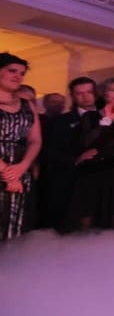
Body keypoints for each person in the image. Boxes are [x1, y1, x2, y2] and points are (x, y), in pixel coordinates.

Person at [70, 77, 114, 230]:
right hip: (94, 167)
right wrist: (106, 119)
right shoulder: (90, 116)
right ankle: (84, 249)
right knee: (88, 211)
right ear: (103, 93)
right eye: (112, 90)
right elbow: (86, 142)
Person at [41, 77, 96, 232]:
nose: (85, 96)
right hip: (71, 181)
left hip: (103, 179)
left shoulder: (109, 117)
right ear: (72, 95)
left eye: (89, 92)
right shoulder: (60, 121)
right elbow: (49, 151)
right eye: (79, 93)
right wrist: (75, 160)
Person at [0, 53, 42, 240]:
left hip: (20, 172)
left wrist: (22, 167)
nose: (18, 76)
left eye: (22, 73)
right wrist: (7, 173)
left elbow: (35, 140)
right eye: (12, 71)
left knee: (16, 227)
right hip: (7, 172)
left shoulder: (28, 105)